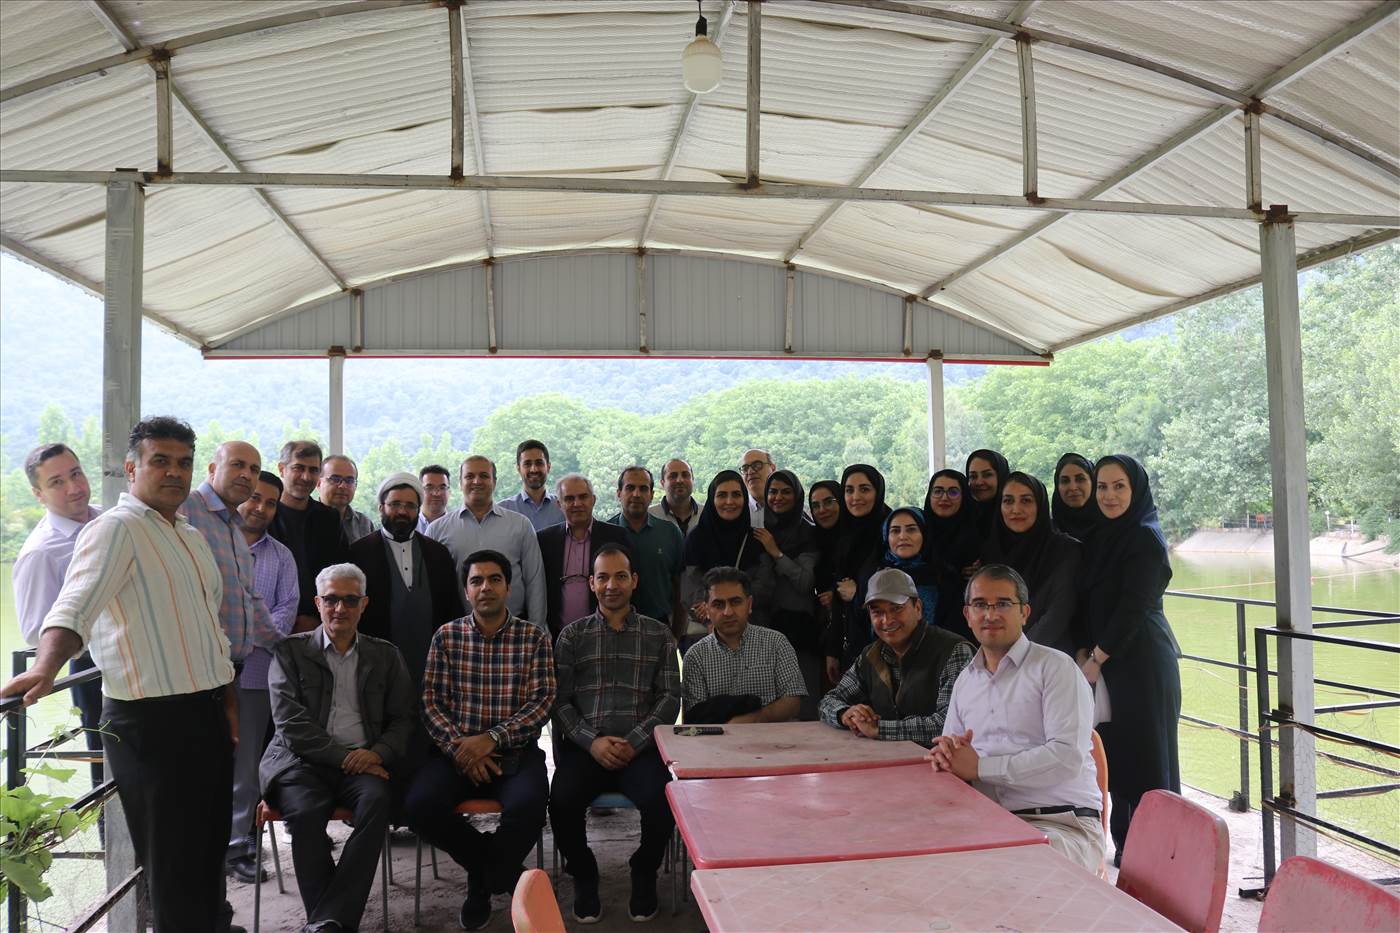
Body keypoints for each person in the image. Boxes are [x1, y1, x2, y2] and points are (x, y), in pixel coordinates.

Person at [1, 417, 236, 933]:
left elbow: (208, 628)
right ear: (131, 469)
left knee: (207, 852)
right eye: (160, 461)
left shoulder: (188, 535)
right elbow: (74, 606)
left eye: (183, 463)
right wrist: (46, 666)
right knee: (174, 867)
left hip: (205, 716)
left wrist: (227, 706)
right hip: (152, 725)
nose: (174, 472)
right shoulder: (115, 529)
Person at [405, 549, 555, 931]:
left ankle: (482, 880)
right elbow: (431, 702)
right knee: (419, 806)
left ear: (508, 588)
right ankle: (501, 871)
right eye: (476, 581)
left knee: (530, 806)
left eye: (494, 579)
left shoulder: (533, 637)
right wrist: (463, 749)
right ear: (467, 591)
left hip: (515, 751)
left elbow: (542, 702)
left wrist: (491, 739)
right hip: (456, 752)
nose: (485, 587)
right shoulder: (447, 637)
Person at [261, 563, 416, 933]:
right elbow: (291, 724)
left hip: (364, 762)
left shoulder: (385, 655)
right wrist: (349, 758)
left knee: (378, 802)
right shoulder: (290, 652)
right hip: (299, 763)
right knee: (305, 812)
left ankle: (327, 922)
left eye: (350, 600)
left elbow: (404, 718)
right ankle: (333, 921)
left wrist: (377, 753)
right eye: (331, 600)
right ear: (318, 603)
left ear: (364, 604)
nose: (340, 608)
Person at [930, 564, 1105, 874]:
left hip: (1060, 824)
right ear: (967, 614)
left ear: (1024, 612)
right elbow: (955, 755)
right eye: (980, 604)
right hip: (988, 822)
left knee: (1008, 871)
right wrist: (946, 757)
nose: (990, 614)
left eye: (1002, 604)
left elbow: (1067, 757)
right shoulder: (966, 681)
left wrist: (981, 768)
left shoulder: (1055, 668)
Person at [549, 545, 681, 923]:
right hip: (586, 749)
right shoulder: (572, 636)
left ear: (634, 581)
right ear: (591, 583)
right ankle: (584, 872)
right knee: (561, 802)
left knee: (663, 802)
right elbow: (559, 701)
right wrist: (592, 742)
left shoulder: (658, 634)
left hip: (641, 750)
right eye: (603, 577)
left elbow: (670, 698)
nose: (611, 585)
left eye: (620, 576)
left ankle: (644, 869)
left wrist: (635, 741)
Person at [1078, 455, 1181, 861]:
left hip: (1143, 663)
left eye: (1119, 486)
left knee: (1149, 759)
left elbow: (1133, 607)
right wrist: (1090, 652)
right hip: (1109, 663)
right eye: (1102, 487)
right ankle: (1126, 849)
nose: (1109, 495)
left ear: (1135, 489)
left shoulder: (1145, 538)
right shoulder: (1101, 535)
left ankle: (1158, 856)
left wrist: (1097, 657)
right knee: (1117, 755)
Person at [13, 443, 104, 786]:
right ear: (39, 494)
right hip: (91, 666)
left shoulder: (108, 520)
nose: (74, 487)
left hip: (139, 658)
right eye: (57, 482)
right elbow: (35, 631)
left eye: (76, 474)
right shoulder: (41, 552)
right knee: (108, 766)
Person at [227, 471, 299, 884]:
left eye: (270, 503)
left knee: (247, 767)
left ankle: (238, 846)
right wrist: (244, 631)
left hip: (256, 676)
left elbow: (285, 614)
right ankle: (203, 845)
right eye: (255, 498)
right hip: (205, 675)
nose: (260, 508)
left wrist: (240, 634)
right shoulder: (210, 545)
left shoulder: (282, 557)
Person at [819, 568, 973, 746]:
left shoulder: (953, 651)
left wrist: (879, 729)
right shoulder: (871, 655)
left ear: (918, 608)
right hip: (888, 759)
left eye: (896, 609)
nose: (887, 620)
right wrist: (846, 714)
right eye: (877, 612)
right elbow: (828, 700)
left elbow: (947, 724)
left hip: (941, 760)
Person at [347, 472, 464, 690]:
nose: (402, 511)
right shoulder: (359, 553)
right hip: (375, 668)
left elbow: (452, 610)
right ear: (381, 507)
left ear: (418, 510)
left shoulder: (437, 553)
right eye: (395, 504)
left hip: (432, 667)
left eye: (410, 506)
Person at [426, 455, 547, 625]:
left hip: (515, 629)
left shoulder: (520, 525)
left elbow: (534, 580)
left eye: (484, 476)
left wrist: (537, 627)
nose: (477, 481)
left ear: (494, 482)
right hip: (459, 632)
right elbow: (431, 589)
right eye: (469, 476)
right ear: (460, 483)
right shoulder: (437, 530)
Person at [681, 567, 805, 724]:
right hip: (717, 739)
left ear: (749, 604)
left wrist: (752, 720)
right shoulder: (695, 656)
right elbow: (694, 717)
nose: (728, 612)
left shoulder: (776, 643)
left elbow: (793, 702)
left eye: (735, 602)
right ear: (706, 609)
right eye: (718, 604)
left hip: (774, 737)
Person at [982, 472, 1081, 656]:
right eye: (1008, 501)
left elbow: (1058, 612)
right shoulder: (991, 552)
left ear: (1040, 506)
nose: (1016, 509)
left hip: (1048, 656)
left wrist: (1017, 655)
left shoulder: (1064, 550)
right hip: (999, 656)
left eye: (1026, 501)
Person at [750, 470, 822, 717]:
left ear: (797, 495)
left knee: (804, 701)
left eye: (786, 492)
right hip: (763, 624)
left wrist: (775, 552)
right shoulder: (757, 529)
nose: (778, 497)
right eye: (773, 491)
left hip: (798, 627)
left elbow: (804, 582)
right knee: (767, 702)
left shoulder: (807, 532)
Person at [536, 473, 628, 637]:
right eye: (569, 499)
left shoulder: (617, 537)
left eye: (583, 497)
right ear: (559, 504)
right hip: (558, 637)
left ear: (593, 500)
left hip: (607, 635)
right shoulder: (544, 540)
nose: (577, 504)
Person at [271, 439, 349, 632]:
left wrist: (318, 617)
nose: (306, 477)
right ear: (282, 469)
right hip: (270, 622)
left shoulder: (329, 519)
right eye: (298, 468)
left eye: (313, 470)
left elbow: (339, 573)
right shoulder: (266, 515)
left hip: (319, 623)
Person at [680, 470, 770, 638]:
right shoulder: (696, 539)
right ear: (712, 499)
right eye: (722, 495)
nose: (729, 501)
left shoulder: (756, 538)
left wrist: (726, 606)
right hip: (706, 632)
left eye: (736, 495)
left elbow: (765, 585)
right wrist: (711, 614)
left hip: (753, 631)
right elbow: (689, 587)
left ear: (745, 499)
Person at [822, 464, 890, 681]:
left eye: (865, 489)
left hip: (887, 644)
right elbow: (839, 595)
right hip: (852, 646)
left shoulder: (892, 532)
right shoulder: (845, 535)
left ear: (877, 492)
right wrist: (833, 650)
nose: (856, 497)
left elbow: (901, 586)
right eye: (849, 490)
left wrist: (859, 593)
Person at [607, 466, 686, 638]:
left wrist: (675, 635)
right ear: (619, 493)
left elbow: (681, 585)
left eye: (643, 489)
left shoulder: (670, 533)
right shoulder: (605, 533)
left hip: (659, 629)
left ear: (651, 494)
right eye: (630, 488)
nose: (636, 494)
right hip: (612, 631)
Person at [922, 469, 981, 642]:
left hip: (965, 631)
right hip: (920, 631)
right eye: (938, 491)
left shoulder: (978, 538)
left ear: (964, 496)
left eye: (953, 492)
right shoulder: (916, 533)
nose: (944, 498)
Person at [499, 439, 565, 531]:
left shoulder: (564, 508)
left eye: (539, 463)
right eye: (527, 464)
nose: (534, 469)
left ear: (548, 467)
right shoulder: (503, 510)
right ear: (518, 469)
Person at [318, 454, 375, 542]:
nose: (343, 486)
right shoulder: (306, 520)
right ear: (318, 483)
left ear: (355, 486)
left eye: (349, 481)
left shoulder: (365, 524)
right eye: (335, 479)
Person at [1051, 452, 1103, 540]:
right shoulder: (1048, 533)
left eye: (1080, 479)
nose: (1073, 487)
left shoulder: (1113, 527)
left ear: (1093, 482)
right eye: (1065, 481)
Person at [964, 448, 1011, 539]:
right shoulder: (962, 518)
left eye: (987, 475)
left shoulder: (1015, 517)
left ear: (1001, 477)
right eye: (973, 476)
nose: (979, 482)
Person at [650, 457, 699, 537]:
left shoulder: (707, 514)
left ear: (692, 480)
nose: (680, 480)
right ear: (662, 483)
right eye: (673, 476)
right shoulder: (649, 516)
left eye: (685, 475)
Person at [738, 448, 774, 527]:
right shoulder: (737, 509)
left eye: (757, 465)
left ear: (772, 468)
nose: (750, 471)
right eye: (745, 468)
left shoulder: (787, 505)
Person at [416, 464, 453, 533]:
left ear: (449, 492)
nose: (436, 493)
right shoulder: (410, 525)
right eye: (429, 488)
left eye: (442, 488)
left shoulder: (458, 526)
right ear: (419, 491)